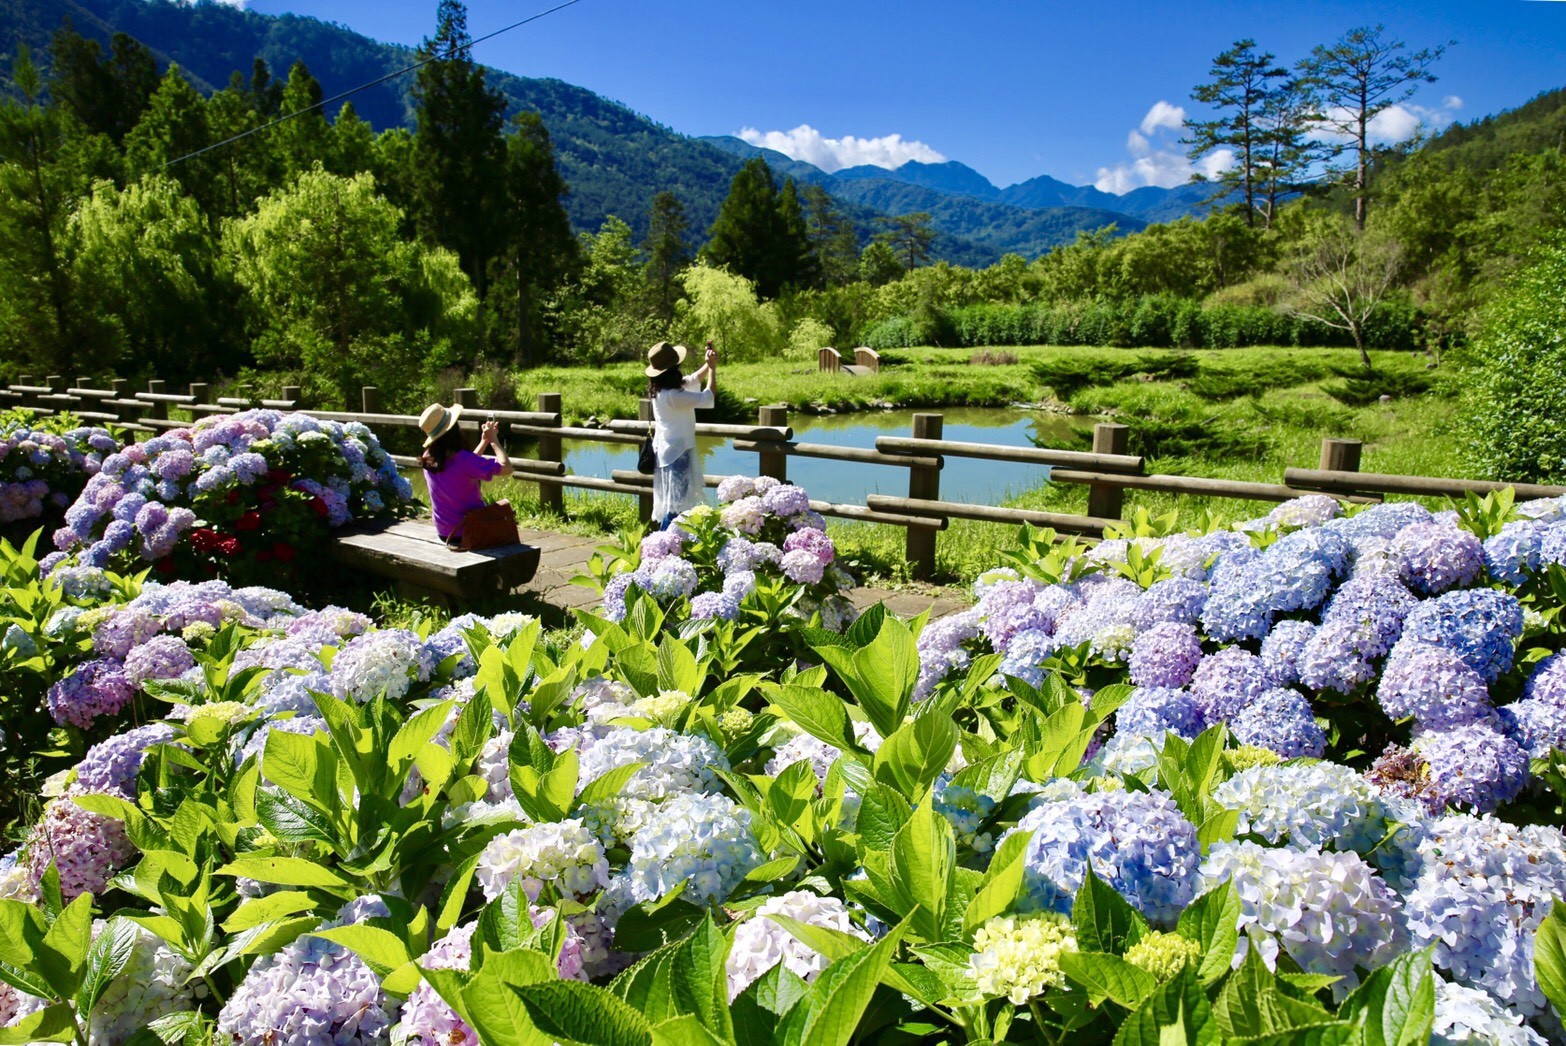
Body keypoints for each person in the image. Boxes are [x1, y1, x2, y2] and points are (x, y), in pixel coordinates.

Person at [418, 402, 513, 547]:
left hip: (445, 533)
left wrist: (483, 442)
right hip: (469, 531)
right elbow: (507, 468)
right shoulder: (463, 459)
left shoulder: (429, 457)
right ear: (454, 430)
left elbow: (465, 468)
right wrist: (494, 440)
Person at [646, 339, 717, 529]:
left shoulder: (661, 390)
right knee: (676, 507)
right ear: (673, 369)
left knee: (674, 504)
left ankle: (666, 546)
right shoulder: (674, 396)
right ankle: (664, 547)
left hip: (667, 452)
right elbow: (708, 397)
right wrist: (712, 370)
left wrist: (707, 364)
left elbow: (692, 380)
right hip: (677, 453)